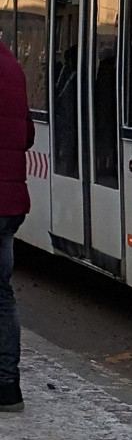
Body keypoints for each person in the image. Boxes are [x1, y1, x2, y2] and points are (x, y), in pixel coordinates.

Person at [0, 32, 36, 411]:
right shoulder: (14, 68)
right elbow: (26, 134)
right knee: (3, 293)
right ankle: (8, 387)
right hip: (10, 203)